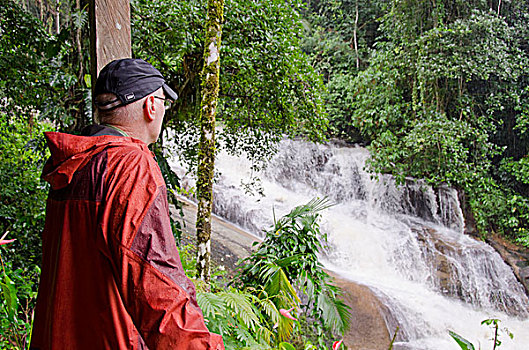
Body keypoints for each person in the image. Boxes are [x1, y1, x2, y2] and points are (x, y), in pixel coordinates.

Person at [31, 58, 224, 350]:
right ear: (150, 106)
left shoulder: (74, 164)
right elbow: (156, 283)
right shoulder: (130, 165)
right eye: (163, 102)